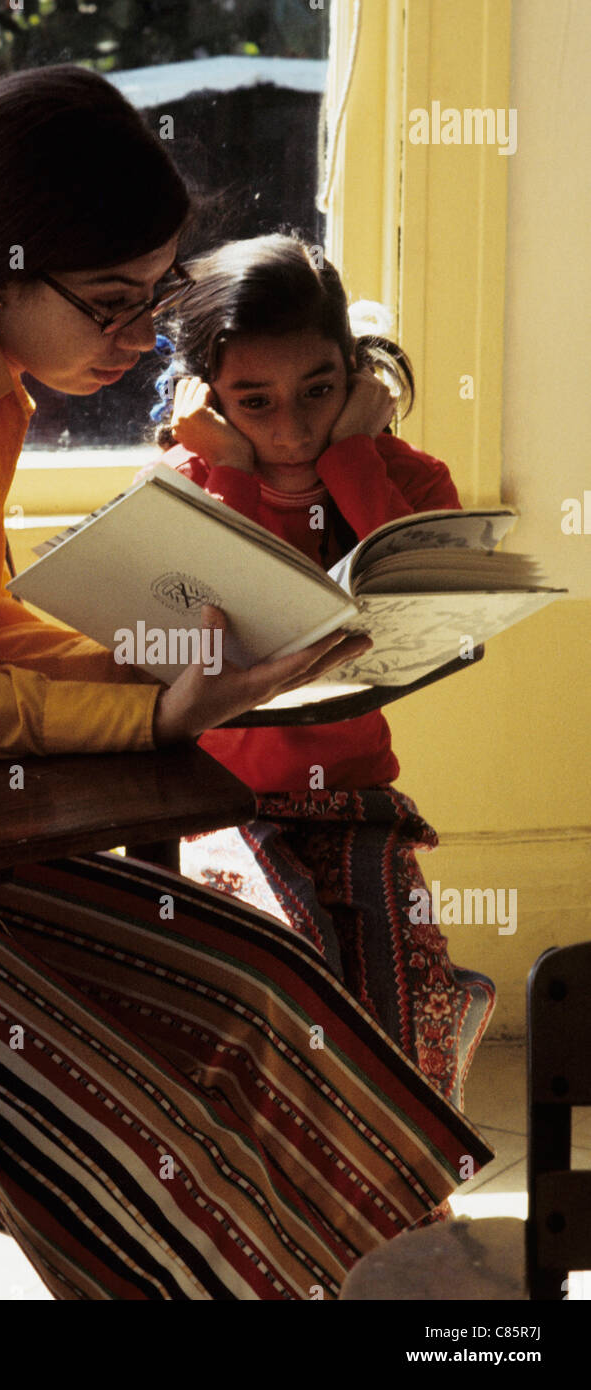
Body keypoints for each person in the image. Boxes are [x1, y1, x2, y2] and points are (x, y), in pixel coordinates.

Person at [0, 73, 491, 1301]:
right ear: (1, 265)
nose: (141, 338)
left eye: (153, 300)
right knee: (160, 1085)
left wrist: (185, 671)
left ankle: (362, 1290)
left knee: (268, 985)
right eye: (112, 304)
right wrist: (153, 707)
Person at [144, 233, 495, 1113]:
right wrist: (227, 473)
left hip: (356, 802)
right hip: (211, 805)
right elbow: (195, 642)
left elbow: (417, 618)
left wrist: (353, 457)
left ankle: (402, 1224)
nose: (292, 430)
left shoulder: (407, 477)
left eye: (320, 392)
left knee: (402, 1022)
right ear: (205, 400)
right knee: (293, 975)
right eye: (252, 403)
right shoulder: (180, 487)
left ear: (358, 374)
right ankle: (296, 1217)